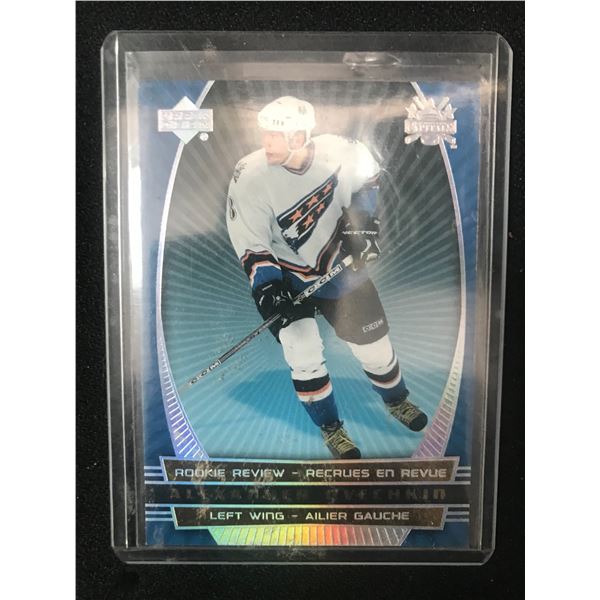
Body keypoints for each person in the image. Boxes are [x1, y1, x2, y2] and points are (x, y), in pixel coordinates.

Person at [226, 96, 427, 459]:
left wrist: (361, 224)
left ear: (299, 136)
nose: (266, 142)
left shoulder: (340, 151)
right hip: (286, 279)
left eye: (275, 135)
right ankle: (331, 428)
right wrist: (269, 289)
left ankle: (396, 400)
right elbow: (252, 242)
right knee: (303, 353)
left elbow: (368, 179)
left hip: (339, 269)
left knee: (375, 347)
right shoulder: (250, 175)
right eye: (264, 133)